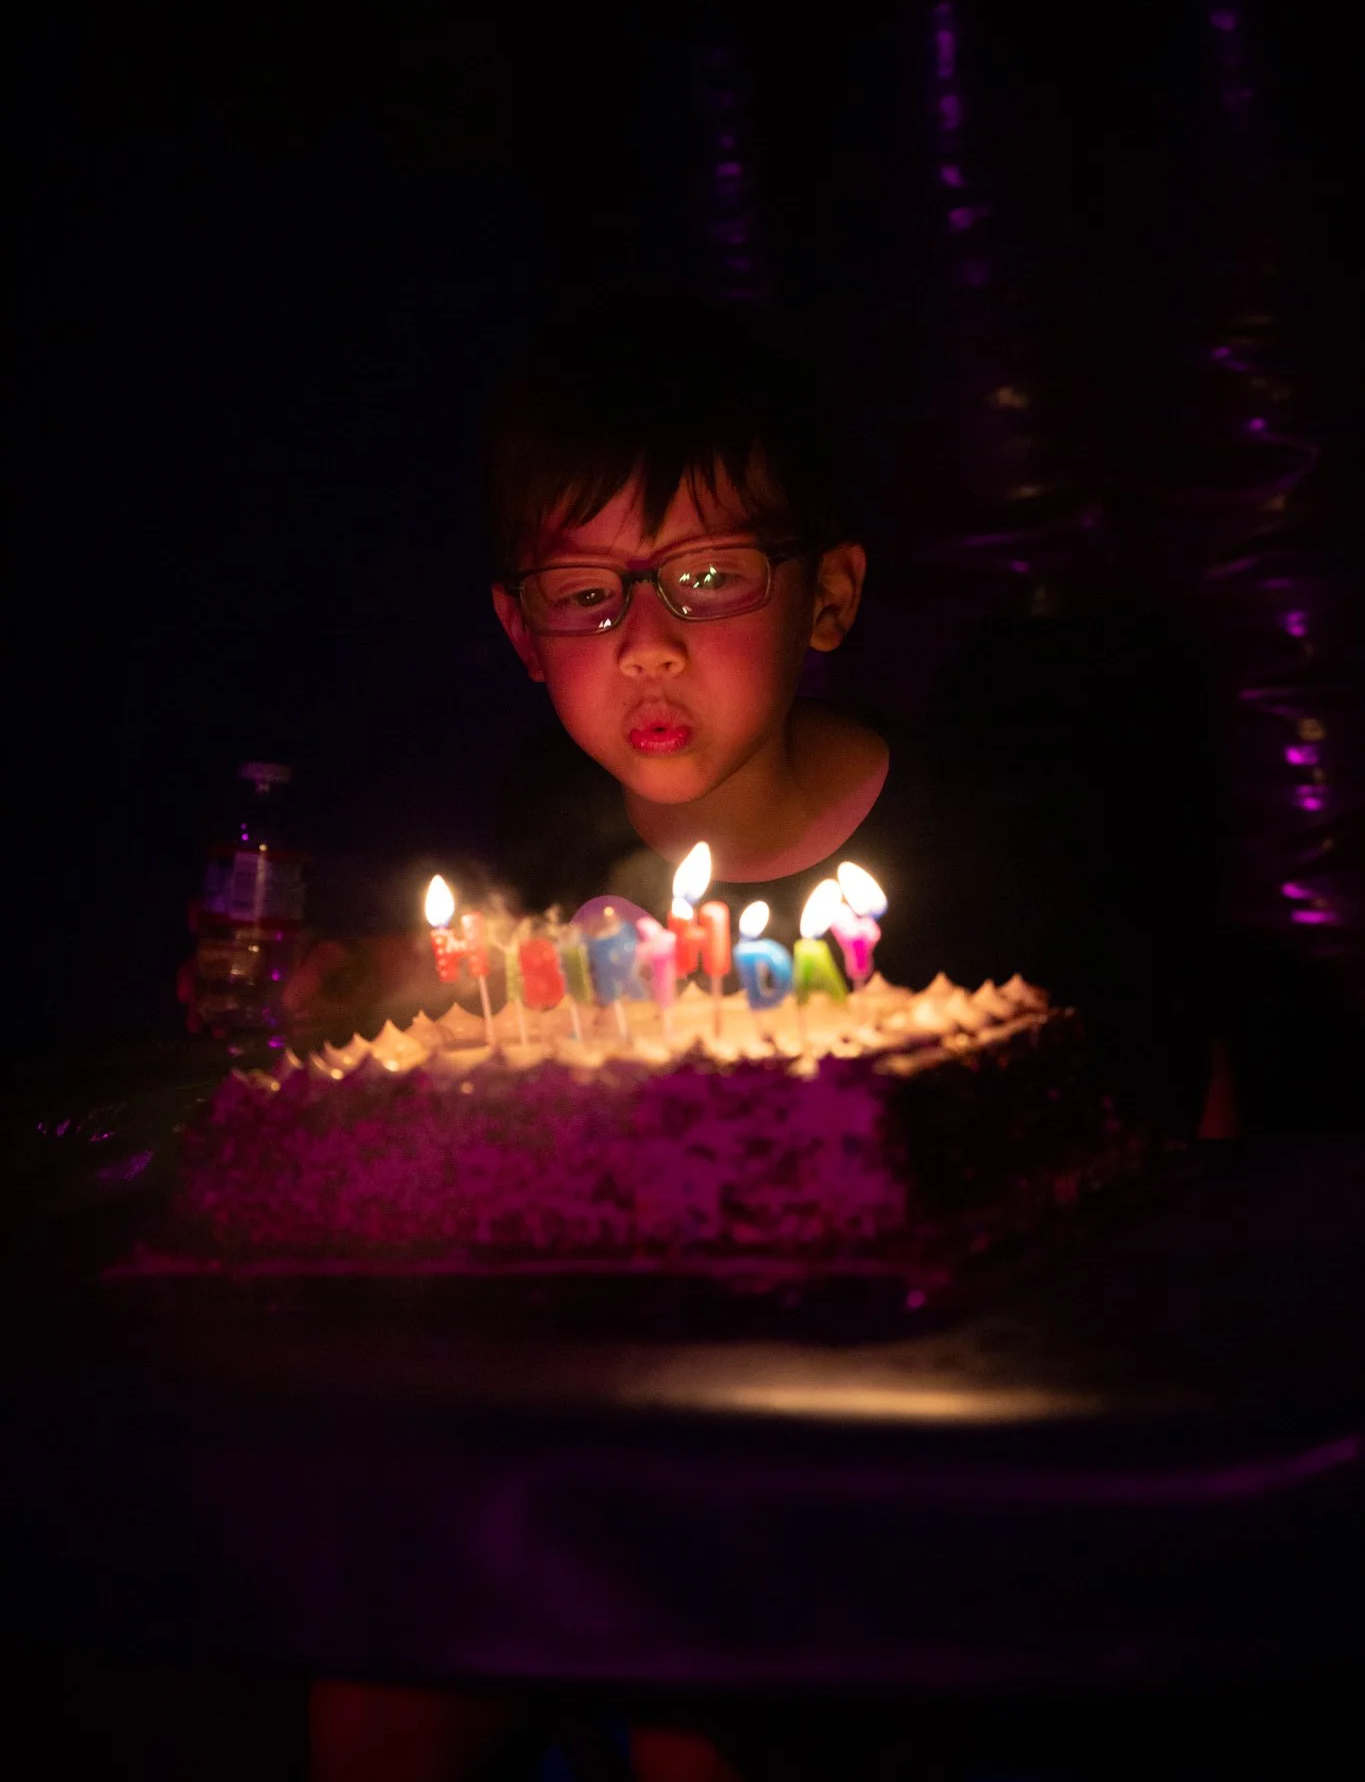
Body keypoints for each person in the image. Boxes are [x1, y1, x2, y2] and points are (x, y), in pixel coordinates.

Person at [293, 291, 1232, 1780]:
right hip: (621, 1444)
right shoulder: (545, 840)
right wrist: (382, 995)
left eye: (711, 576)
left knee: (695, 1709)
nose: (648, 644)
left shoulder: (985, 861)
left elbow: (1189, 1131)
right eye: (587, 592)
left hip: (908, 1468)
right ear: (520, 631)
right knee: (376, 1692)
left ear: (829, 598)